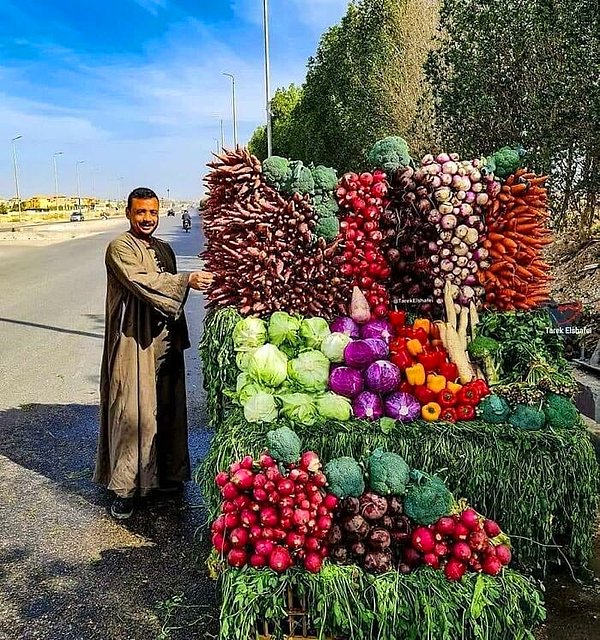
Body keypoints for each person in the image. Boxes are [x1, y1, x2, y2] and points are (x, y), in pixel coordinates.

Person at [93, 187, 213, 519]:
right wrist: (186, 280)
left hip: (164, 339)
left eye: (153, 213)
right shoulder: (119, 248)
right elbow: (144, 282)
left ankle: (168, 476)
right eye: (141, 212)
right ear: (128, 213)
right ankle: (125, 489)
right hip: (133, 339)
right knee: (133, 411)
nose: (147, 219)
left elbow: (170, 289)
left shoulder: (165, 248)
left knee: (168, 408)